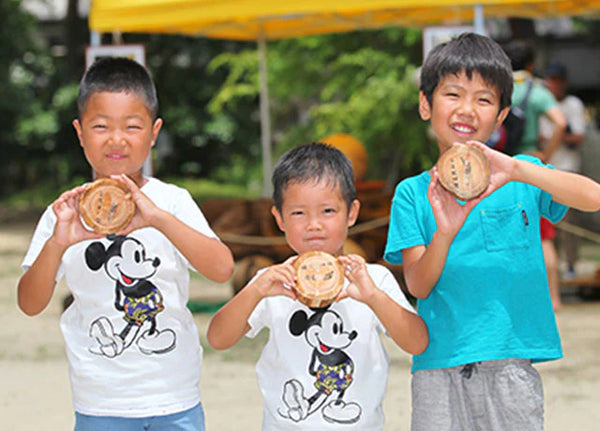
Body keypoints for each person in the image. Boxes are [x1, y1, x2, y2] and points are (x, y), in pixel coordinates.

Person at [383, 32, 600, 431]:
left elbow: (593, 196)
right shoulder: (412, 193)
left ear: (501, 116)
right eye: (453, 94)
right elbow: (418, 284)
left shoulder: (519, 176)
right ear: (425, 105)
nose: (467, 109)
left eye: (484, 99)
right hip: (438, 365)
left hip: (511, 364)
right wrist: (444, 233)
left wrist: (519, 168)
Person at [17, 57, 234, 431]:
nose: (116, 139)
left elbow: (221, 269)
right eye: (101, 126)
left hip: (174, 397)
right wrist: (57, 244)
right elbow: (30, 303)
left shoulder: (172, 201)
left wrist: (158, 220)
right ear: (80, 132)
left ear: (153, 132)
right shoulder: (64, 213)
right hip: (101, 401)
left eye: (132, 126)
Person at [207, 142, 428, 430]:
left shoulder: (372, 280)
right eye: (299, 213)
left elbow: (417, 343)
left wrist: (374, 298)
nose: (314, 225)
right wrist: (255, 290)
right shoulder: (273, 282)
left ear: (351, 213)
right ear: (279, 219)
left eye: (327, 211)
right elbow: (218, 339)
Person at [540, 60, 587, 281]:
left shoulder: (573, 104)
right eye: (551, 80)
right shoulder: (541, 100)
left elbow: (576, 137)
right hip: (543, 174)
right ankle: (553, 272)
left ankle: (569, 265)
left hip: (566, 171)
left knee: (568, 225)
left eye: (558, 81)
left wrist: (554, 139)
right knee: (547, 230)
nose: (554, 85)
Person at [503, 39, 567, 159]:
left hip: (498, 156)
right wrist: (545, 156)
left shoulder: (497, 89)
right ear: (530, 65)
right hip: (527, 157)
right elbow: (561, 123)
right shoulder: (537, 91)